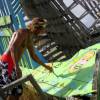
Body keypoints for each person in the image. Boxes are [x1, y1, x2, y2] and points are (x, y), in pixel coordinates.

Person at [0, 17, 53, 100]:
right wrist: (17, 67)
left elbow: (33, 56)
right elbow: (13, 48)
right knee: (13, 91)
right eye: (43, 29)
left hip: (12, 64)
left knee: (17, 91)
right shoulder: (23, 32)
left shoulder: (29, 38)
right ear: (37, 28)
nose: (43, 31)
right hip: (7, 62)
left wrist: (46, 67)